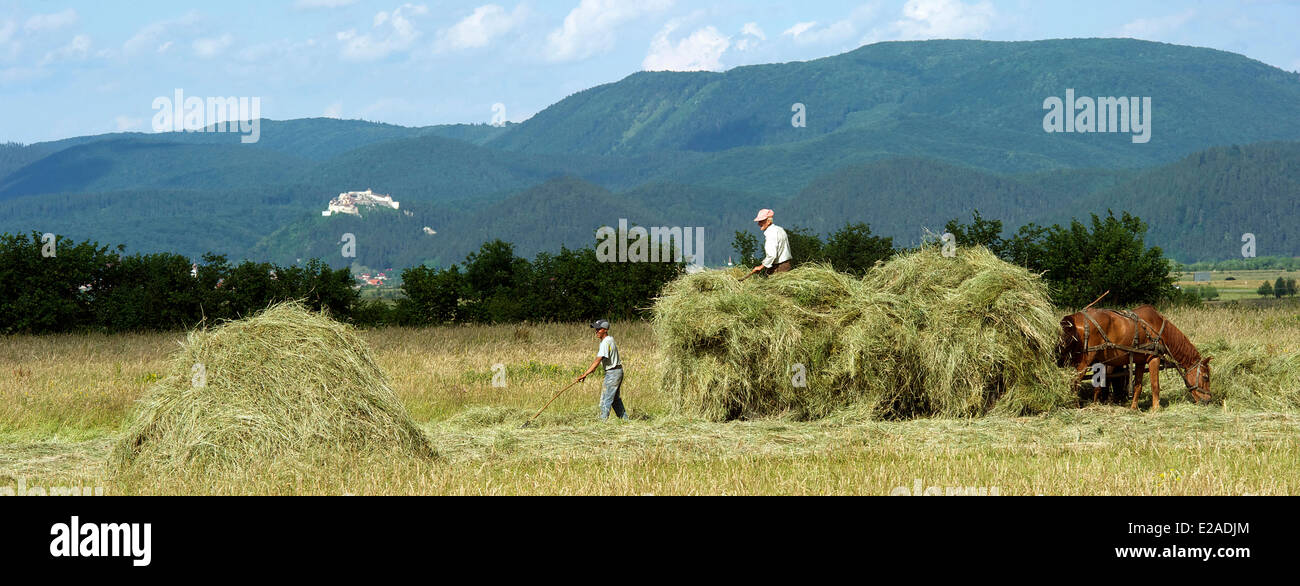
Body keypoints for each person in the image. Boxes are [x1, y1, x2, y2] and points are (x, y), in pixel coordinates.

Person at [576, 319, 628, 420]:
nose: (596, 331)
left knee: (605, 399)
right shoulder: (610, 340)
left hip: (612, 373)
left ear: (605, 329)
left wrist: (585, 374)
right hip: (617, 371)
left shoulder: (605, 342)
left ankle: (602, 422)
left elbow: (598, 360)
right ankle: (625, 420)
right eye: (596, 329)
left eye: (599, 329)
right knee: (615, 399)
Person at [748, 208, 792, 278]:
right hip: (787, 265)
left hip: (779, 268)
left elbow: (771, 255)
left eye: (761, 221)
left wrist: (760, 267)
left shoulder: (771, 234)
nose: (759, 224)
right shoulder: (779, 229)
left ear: (768, 221)